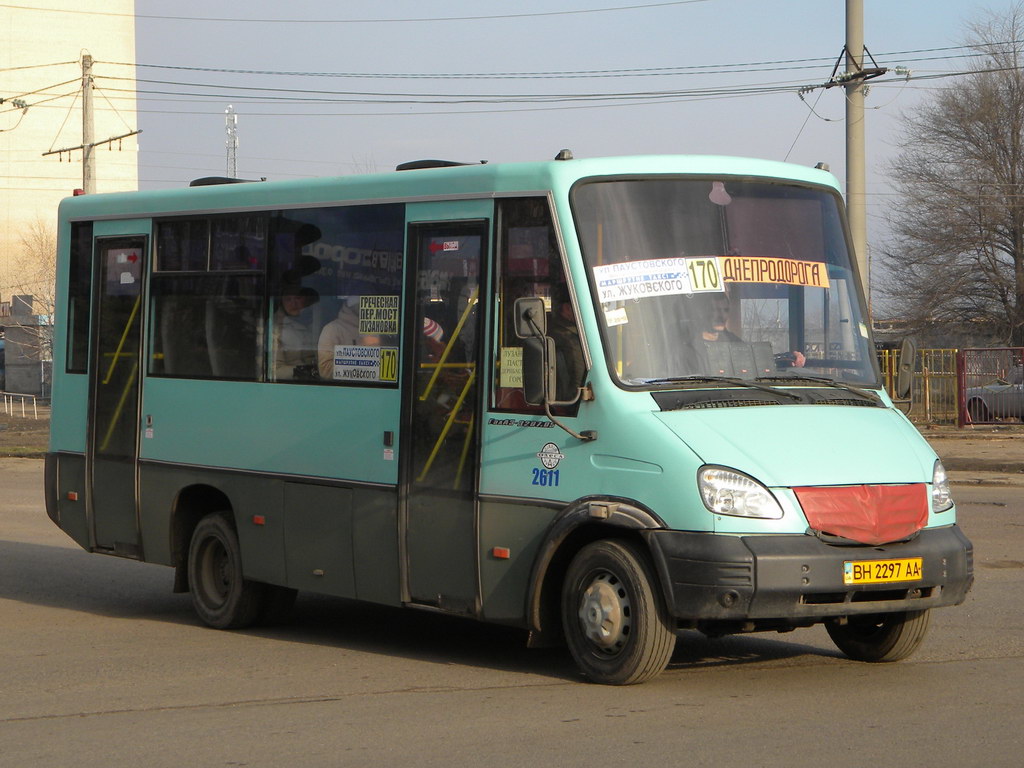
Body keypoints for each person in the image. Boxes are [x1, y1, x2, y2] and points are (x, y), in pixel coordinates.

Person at [694, 290, 806, 368]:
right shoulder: (688, 346)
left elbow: (757, 362)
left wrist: (788, 360)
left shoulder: (734, 343)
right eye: (716, 310)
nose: (721, 315)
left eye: (725, 310)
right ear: (703, 312)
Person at [272, 285, 319, 380]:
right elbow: (274, 371)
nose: (293, 303)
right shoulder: (275, 329)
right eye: (288, 299)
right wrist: (305, 372)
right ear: (281, 302)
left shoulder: (317, 321)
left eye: (298, 298)